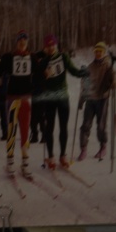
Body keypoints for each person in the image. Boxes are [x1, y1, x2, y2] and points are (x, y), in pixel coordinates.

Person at [0, 30, 40, 178]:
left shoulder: (32, 57)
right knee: (12, 129)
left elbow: (39, 73)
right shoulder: (8, 57)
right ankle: (10, 161)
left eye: (24, 40)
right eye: (20, 40)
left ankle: (25, 163)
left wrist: (46, 75)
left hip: (26, 98)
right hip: (12, 98)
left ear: (27, 42)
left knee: (25, 131)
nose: (22, 42)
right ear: (17, 42)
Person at [36, 35, 85, 169]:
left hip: (62, 97)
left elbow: (73, 70)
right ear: (45, 48)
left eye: (53, 45)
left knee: (63, 127)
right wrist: (44, 75)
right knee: (49, 127)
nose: (51, 48)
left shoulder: (63, 57)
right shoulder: (44, 61)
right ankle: (51, 156)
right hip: (49, 98)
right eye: (48, 46)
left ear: (56, 45)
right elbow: (37, 79)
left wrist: (82, 73)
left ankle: (63, 155)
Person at [76, 42, 116, 162]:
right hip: (90, 99)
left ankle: (103, 147)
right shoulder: (90, 67)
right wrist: (82, 99)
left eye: (100, 51)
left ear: (104, 53)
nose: (98, 53)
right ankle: (83, 149)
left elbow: (115, 83)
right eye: (96, 51)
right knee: (85, 125)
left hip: (102, 99)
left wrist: (113, 82)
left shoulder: (108, 66)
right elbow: (85, 84)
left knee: (101, 126)